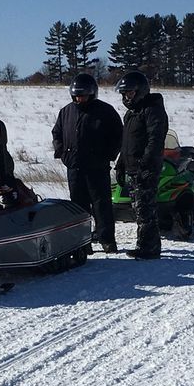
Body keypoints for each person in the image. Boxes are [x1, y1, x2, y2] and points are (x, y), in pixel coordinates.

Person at [51, 72, 124, 252]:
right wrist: (62, 153)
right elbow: (57, 133)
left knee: (101, 204)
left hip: (97, 167)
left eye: (83, 95)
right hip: (74, 167)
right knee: (78, 206)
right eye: (76, 95)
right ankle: (82, 243)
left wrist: (108, 155)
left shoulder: (105, 111)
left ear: (92, 94)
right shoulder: (66, 111)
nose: (79, 99)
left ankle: (107, 240)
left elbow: (118, 136)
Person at [115, 68, 169, 259]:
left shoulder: (152, 110)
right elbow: (127, 143)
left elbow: (155, 140)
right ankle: (144, 243)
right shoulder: (131, 114)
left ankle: (149, 247)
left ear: (140, 91)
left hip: (146, 168)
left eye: (130, 93)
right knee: (139, 209)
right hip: (132, 168)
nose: (127, 97)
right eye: (124, 94)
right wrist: (120, 165)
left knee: (146, 210)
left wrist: (146, 165)